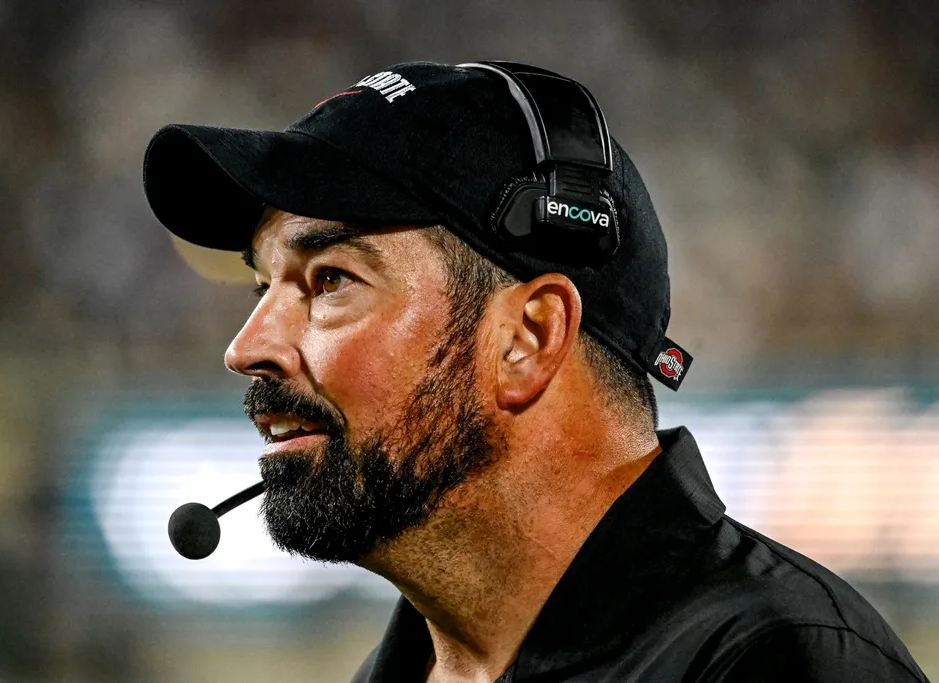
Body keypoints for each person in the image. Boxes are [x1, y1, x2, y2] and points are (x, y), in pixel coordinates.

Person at [141, 61, 930, 683]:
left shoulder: (778, 663)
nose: (246, 347)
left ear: (528, 336)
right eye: (260, 287)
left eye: (330, 281)